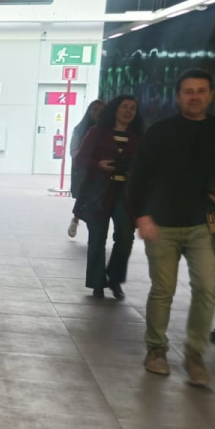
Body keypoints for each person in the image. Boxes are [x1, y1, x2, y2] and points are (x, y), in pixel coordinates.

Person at [128, 68, 215, 386]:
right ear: (178, 96)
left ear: (211, 95)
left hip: (202, 223)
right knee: (163, 290)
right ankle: (156, 351)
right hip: (160, 224)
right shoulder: (160, 132)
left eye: (200, 90)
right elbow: (137, 177)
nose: (194, 96)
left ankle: (195, 355)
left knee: (206, 288)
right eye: (188, 91)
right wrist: (141, 217)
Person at [74, 96, 142, 299]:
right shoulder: (97, 132)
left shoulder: (138, 136)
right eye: (124, 107)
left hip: (126, 193)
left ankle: (114, 278)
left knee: (125, 237)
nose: (128, 111)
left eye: (133, 108)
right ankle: (96, 283)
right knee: (97, 238)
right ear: (115, 110)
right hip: (99, 191)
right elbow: (81, 158)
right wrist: (99, 164)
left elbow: (146, 163)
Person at [67, 99, 106, 238]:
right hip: (84, 170)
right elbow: (73, 151)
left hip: (102, 172)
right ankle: (76, 219)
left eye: (101, 110)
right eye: (95, 110)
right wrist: (86, 159)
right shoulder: (80, 129)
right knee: (83, 196)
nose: (98, 113)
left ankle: (86, 226)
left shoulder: (109, 129)